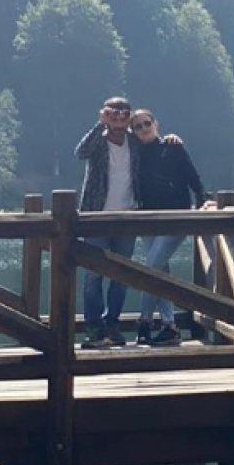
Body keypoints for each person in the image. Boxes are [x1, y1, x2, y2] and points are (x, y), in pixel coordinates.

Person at [131, 109, 207, 346]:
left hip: (176, 217)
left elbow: (192, 177)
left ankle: (144, 321)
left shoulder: (173, 146)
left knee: (151, 267)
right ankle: (169, 325)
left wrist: (204, 199)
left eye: (147, 123)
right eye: (138, 126)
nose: (144, 129)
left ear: (156, 123)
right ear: (133, 132)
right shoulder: (132, 153)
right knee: (160, 270)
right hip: (147, 220)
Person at [75, 96, 140, 349]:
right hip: (96, 217)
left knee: (121, 275)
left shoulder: (135, 142)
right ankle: (94, 328)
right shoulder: (98, 141)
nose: (119, 116)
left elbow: (155, 147)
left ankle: (112, 324)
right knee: (93, 275)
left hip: (128, 216)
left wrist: (172, 139)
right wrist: (98, 125)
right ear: (104, 113)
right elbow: (80, 152)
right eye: (114, 111)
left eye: (124, 111)